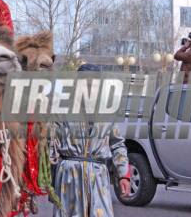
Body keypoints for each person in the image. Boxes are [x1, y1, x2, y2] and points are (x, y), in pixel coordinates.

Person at [50, 64, 131, 217]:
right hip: (69, 175)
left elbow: (117, 144)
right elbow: (52, 146)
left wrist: (123, 174)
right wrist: (50, 181)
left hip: (98, 176)